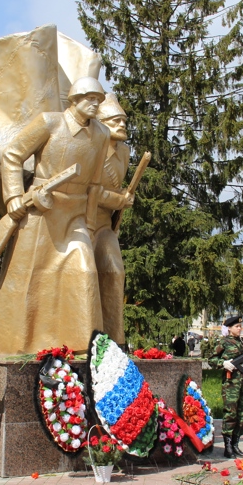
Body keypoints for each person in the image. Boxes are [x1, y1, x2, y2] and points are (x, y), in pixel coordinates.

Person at [0, 77, 110, 355]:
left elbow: (95, 184)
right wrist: (14, 196)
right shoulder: (50, 122)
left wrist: (91, 221)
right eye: (90, 98)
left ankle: (83, 348)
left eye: (99, 99)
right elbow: (12, 155)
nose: (96, 104)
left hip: (75, 215)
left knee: (85, 269)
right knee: (26, 280)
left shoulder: (102, 134)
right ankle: (8, 342)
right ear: (75, 99)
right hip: (41, 210)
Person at [91, 93, 135, 345]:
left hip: (106, 226)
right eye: (115, 121)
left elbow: (113, 189)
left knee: (115, 271)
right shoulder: (91, 149)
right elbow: (88, 190)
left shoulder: (124, 151)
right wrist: (119, 199)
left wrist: (123, 197)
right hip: (81, 223)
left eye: (124, 121)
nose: (122, 125)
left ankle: (115, 342)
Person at [209, 315, 243, 458]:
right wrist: (223, 364)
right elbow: (211, 359)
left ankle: (236, 444)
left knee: (242, 413)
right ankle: (228, 446)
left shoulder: (242, 343)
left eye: (240, 326)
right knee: (230, 412)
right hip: (231, 384)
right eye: (237, 326)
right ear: (229, 328)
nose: (239, 328)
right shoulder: (223, 342)